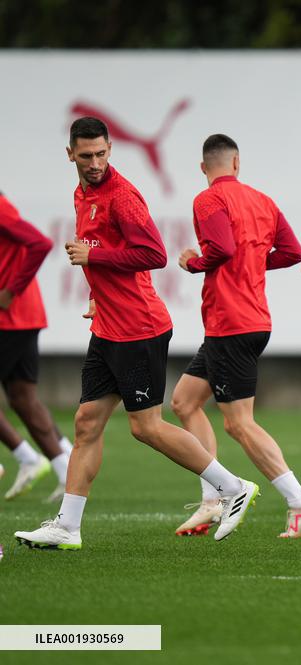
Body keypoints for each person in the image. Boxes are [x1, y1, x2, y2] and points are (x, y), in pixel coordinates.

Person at [15, 117, 257, 550]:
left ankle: (232, 485)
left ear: (111, 149)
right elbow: (104, 257)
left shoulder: (122, 197)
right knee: (87, 423)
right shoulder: (82, 192)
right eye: (86, 155)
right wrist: (97, 292)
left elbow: (154, 254)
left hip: (138, 329)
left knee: (146, 428)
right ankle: (68, 527)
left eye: (101, 154)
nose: (94, 163)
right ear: (70, 154)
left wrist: (94, 258)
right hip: (109, 325)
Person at [171, 134, 301, 538]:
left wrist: (194, 263)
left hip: (231, 322)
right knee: (185, 402)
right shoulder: (262, 200)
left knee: (239, 424)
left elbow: (220, 247)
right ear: (236, 163)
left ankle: (300, 502)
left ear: (204, 167)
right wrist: (254, 264)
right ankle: (213, 498)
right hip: (247, 321)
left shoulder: (207, 200)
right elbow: (290, 252)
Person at [0, 192, 74, 502]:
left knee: (23, 399)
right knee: (23, 399)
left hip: (9, 317)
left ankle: (25, 456)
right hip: (25, 315)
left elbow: (41, 243)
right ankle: (67, 469)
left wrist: (10, 291)